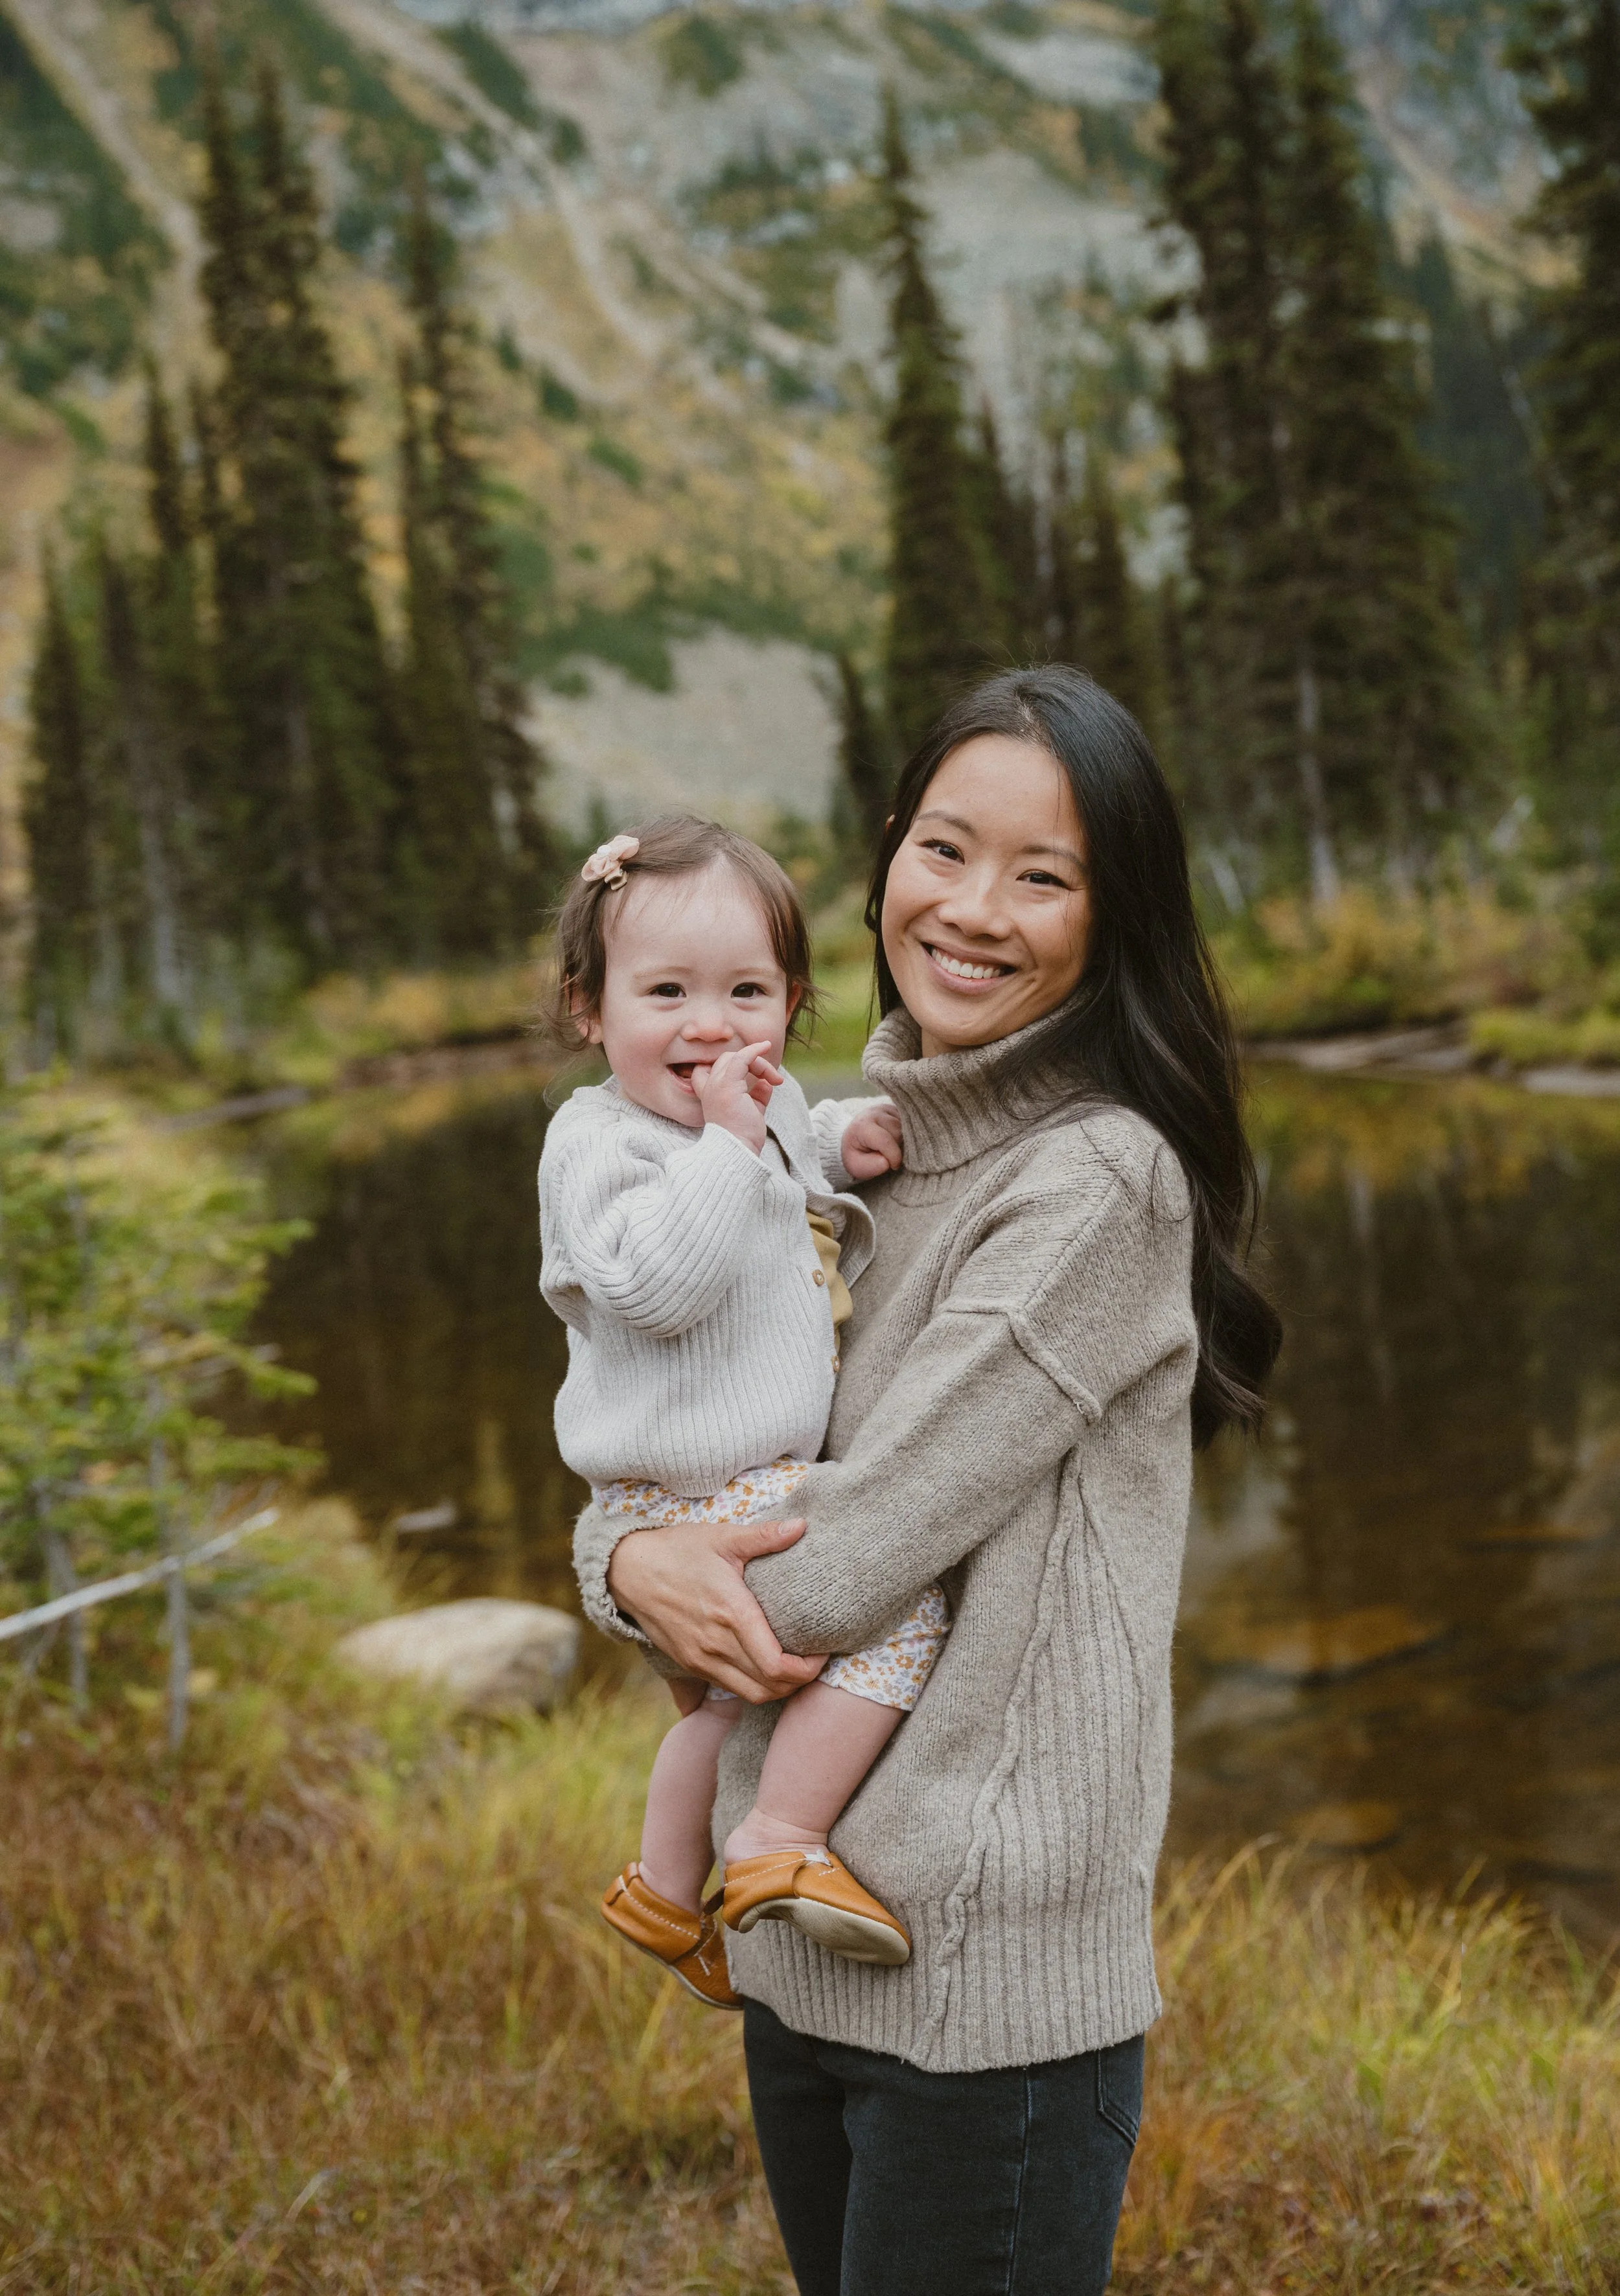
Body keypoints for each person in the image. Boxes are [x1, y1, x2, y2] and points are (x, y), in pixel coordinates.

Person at [572, 668, 1282, 2296]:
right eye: (944, 849)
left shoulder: (1093, 1179)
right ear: (886, 849)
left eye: (1043, 875)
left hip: (984, 1978)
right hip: (793, 1941)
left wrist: (635, 1560)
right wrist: (622, 1553)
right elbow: (680, 1424)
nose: (972, 909)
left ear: (1114, 917)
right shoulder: (828, 1149)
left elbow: (844, 1553)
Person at [540, 814, 954, 2012]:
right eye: (667, 991)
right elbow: (653, 1288)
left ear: (792, 1001)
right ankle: (781, 1834)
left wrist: (832, 1134)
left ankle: (667, 1888)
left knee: (735, 1701)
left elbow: (782, 1159)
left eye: (748, 992)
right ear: (590, 1008)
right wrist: (730, 1141)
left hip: (722, 1482)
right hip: (694, 1489)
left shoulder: (747, 1113)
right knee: (898, 1607)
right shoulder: (595, 1143)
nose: (712, 1025)